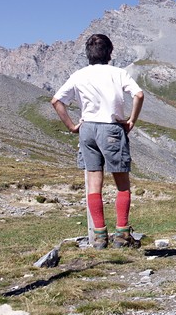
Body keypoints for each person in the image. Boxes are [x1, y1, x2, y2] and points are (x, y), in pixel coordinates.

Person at [51, 34, 144, 249]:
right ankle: (121, 235)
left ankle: (100, 237)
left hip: (88, 129)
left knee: (94, 184)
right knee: (122, 184)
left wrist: (72, 126)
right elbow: (138, 95)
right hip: (111, 129)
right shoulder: (118, 73)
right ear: (109, 52)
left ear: (88, 53)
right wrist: (130, 121)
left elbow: (56, 101)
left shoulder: (79, 75)